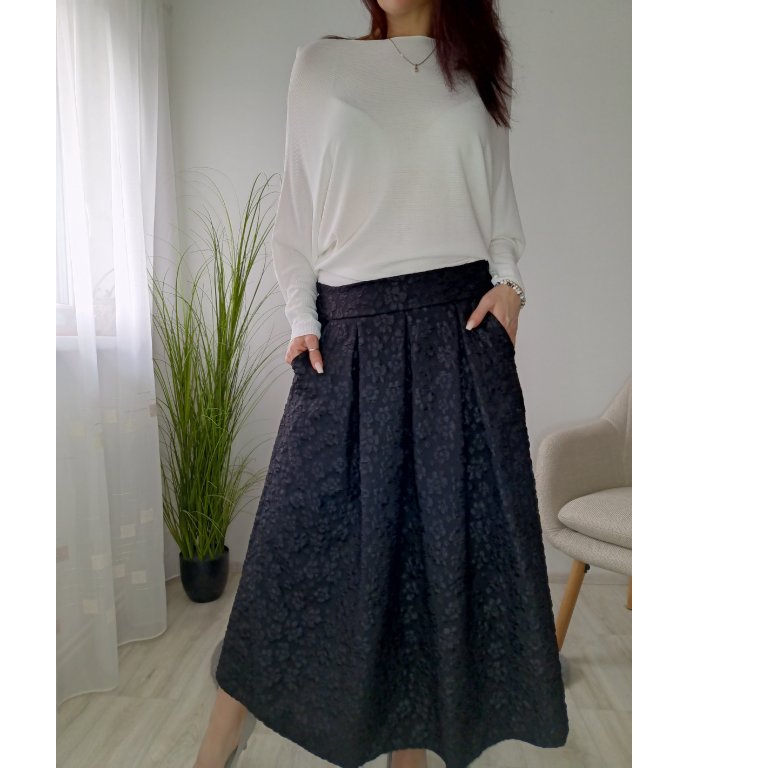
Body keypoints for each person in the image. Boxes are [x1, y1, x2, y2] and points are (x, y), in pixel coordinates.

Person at [195, 2, 569, 766]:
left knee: (435, 567)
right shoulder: (321, 65)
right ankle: (219, 742)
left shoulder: (477, 69)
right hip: (346, 336)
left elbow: (500, 208)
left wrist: (511, 288)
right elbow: (295, 218)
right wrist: (301, 317)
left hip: (458, 337)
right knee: (286, 554)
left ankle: (412, 755)